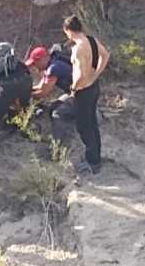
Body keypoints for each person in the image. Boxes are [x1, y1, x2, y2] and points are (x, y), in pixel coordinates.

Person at [63, 16, 110, 174]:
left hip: (83, 91)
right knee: (92, 124)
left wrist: (73, 88)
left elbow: (80, 74)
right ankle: (95, 157)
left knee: (83, 126)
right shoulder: (91, 40)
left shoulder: (78, 48)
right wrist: (96, 74)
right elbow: (106, 55)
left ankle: (92, 162)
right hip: (94, 87)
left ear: (69, 31)